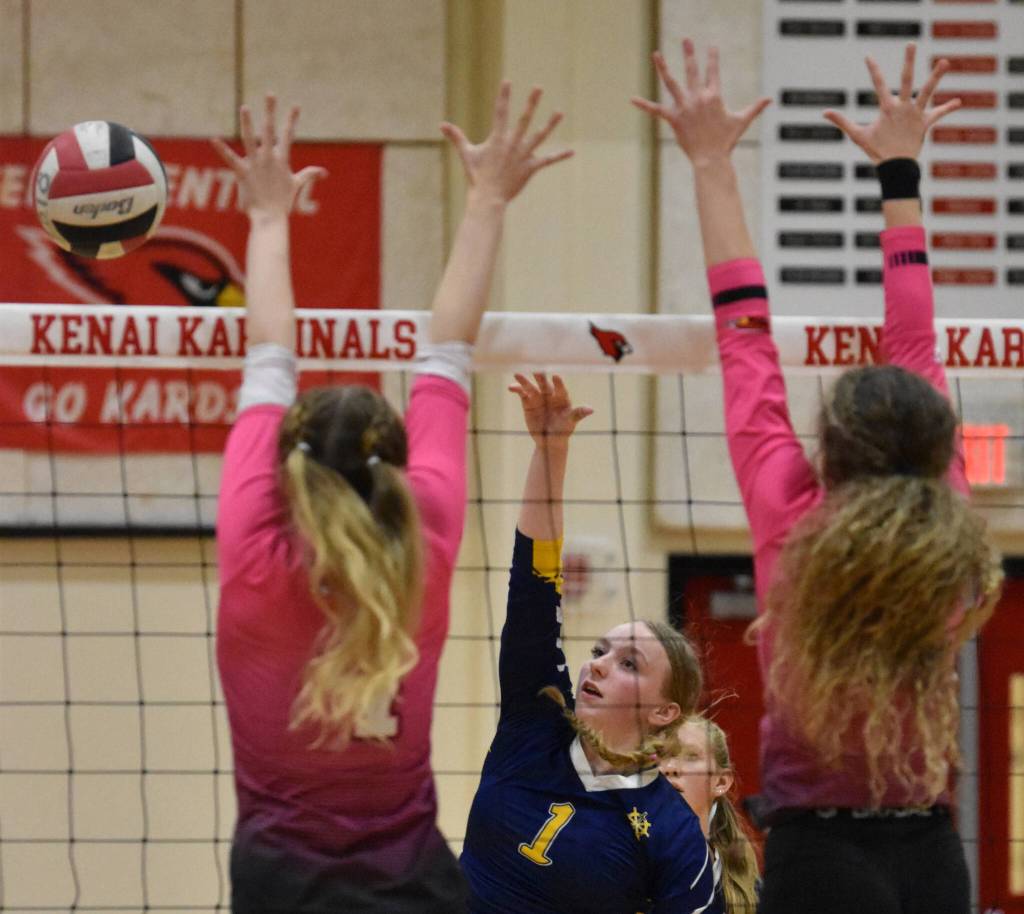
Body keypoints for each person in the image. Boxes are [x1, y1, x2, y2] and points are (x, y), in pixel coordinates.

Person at [635, 40, 1003, 914]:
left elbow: (745, 335)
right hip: (931, 856)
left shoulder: (790, 513)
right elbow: (916, 343)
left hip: (818, 855)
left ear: (831, 442)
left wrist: (713, 164)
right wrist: (903, 172)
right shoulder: (947, 523)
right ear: (933, 442)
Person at [212, 86, 572, 914]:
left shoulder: (256, 557)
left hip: (279, 884)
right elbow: (447, 351)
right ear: (399, 468)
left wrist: (267, 219)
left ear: (286, 472)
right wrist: (486, 200)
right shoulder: (430, 538)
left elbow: (269, 356)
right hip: (415, 883)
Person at [460, 373, 719, 914]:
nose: (597, 666)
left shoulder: (670, 830)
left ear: (666, 710)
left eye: (627, 663)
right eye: (599, 650)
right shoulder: (536, 723)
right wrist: (551, 452)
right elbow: (532, 591)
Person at [661, 716, 760, 913]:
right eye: (661, 755)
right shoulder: (616, 863)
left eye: (691, 756)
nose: (670, 768)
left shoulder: (752, 893)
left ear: (721, 782)